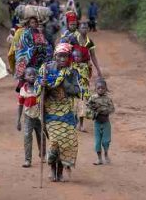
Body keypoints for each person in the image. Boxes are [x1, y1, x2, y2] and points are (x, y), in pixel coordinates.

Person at [35, 43, 80, 182]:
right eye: (60, 56)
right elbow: (38, 88)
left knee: (65, 143)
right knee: (55, 142)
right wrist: (42, 86)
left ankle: (59, 171)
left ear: (68, 57)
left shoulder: (71, 72)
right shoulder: (46, 69)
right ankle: (52, 168)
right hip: (50, 111)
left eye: (65, 56)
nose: (62, 59)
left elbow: (77, 91)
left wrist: (64, 82)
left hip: (66, 111)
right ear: (55, 56)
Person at [16, 67, 46, 168]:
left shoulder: (40, 87)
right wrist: (18, 120)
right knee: (27, 136)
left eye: (34, 74)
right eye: (29, 74)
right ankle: (27, 159)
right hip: (28, 116)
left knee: (41, 135)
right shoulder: (22, 90)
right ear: (24, 77)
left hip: (39, 115)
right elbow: (20, 105)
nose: (32, 76)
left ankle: (42, 154)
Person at [14, 17, 52, 91]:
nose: (34, 24)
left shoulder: (40, 33)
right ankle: (24, 95)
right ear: (29, 23)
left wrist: (44, 48)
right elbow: (23, 46)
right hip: (29, 60)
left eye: (35, 22)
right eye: (32, 22)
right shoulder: (25, 34)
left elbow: (45, 44)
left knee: (39, 77)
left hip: (39, 59)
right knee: (28, 77)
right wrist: (33, 48)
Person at [87, 79, 115, 165]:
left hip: (106, 123)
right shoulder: (93, 98)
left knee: (106, 141)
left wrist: (103, 110)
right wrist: (93, 112)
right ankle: (99, 159)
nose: (100, 90)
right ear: (95, 89)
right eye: (98, 88)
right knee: (97, 142)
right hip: (97, 123)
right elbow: (88, 107)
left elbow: (112, 109)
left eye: (102, 88)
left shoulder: (108, 99)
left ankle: (106, 154)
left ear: (106, 89)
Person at [72, 49, 91, 132]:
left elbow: (86, 76)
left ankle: (81, 125)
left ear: (81, 57)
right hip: (73, 90)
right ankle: (75, 123)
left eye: (78, 56)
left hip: (82, 90)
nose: (76, 58)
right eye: (75, 56)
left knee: (82, 107)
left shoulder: (85, 66)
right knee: (74, 107)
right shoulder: (71, 66)